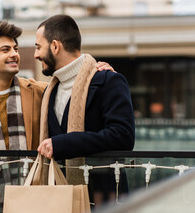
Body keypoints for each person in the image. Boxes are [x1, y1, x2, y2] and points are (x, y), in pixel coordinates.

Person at [0, 20, 114, 213]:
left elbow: (75, 84)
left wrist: (96, 72)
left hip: (36, 203)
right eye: (5, 49)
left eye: (15, 48)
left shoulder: (42, 92)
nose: (15, 54)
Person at [35, 15, 135, 192]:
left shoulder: (109, 81)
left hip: (103, 200)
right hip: (60, 200)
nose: (36, 54)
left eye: (38, 47)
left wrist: (63, 144)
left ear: (55, 46)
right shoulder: (48, 91)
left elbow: (123, 137)